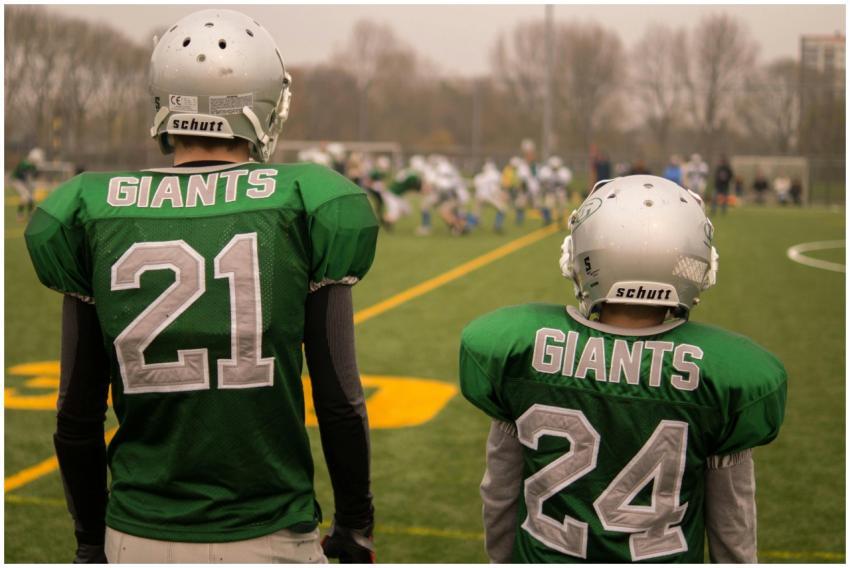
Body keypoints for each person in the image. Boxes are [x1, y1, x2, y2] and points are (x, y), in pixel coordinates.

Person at [25, 9, 378, 564]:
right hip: (269, 532)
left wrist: (91, 542)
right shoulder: (303, 200)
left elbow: (76, 415)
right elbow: (340, 401)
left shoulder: (92, 209)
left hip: (136, 533)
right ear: (263, 102)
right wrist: (356, 524)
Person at [459, 175, 786, 563]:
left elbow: (499, 494)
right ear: (692, 264)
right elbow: (733, 528)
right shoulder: (726, 375)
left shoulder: (517, 347)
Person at [11, 147, 44, 221]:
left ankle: (30, 214)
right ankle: (19, 215)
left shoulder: (32, 165)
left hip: (25, 182)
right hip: (17, 181)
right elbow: (23, 175)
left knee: (31, 197)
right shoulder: (25, 164)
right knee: (25, 196)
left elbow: (35, 176)